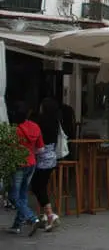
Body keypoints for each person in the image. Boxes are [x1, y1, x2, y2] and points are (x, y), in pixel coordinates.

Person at [7, 101, 44, 235]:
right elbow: (41, 149)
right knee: (22, 195)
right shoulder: (35, 126)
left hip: (19, 165)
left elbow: (8, 149)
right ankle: (17, 226)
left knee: (13, 196)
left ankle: (32, 218)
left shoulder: (13, 130)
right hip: (31, 163)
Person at [30, 98, 62, 232]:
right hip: (52, 158)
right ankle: (44, 215)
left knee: (38, 186)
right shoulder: (56, 122)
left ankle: (50, 215)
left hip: (42, 158)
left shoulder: (39, 122)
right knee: (40, 186)